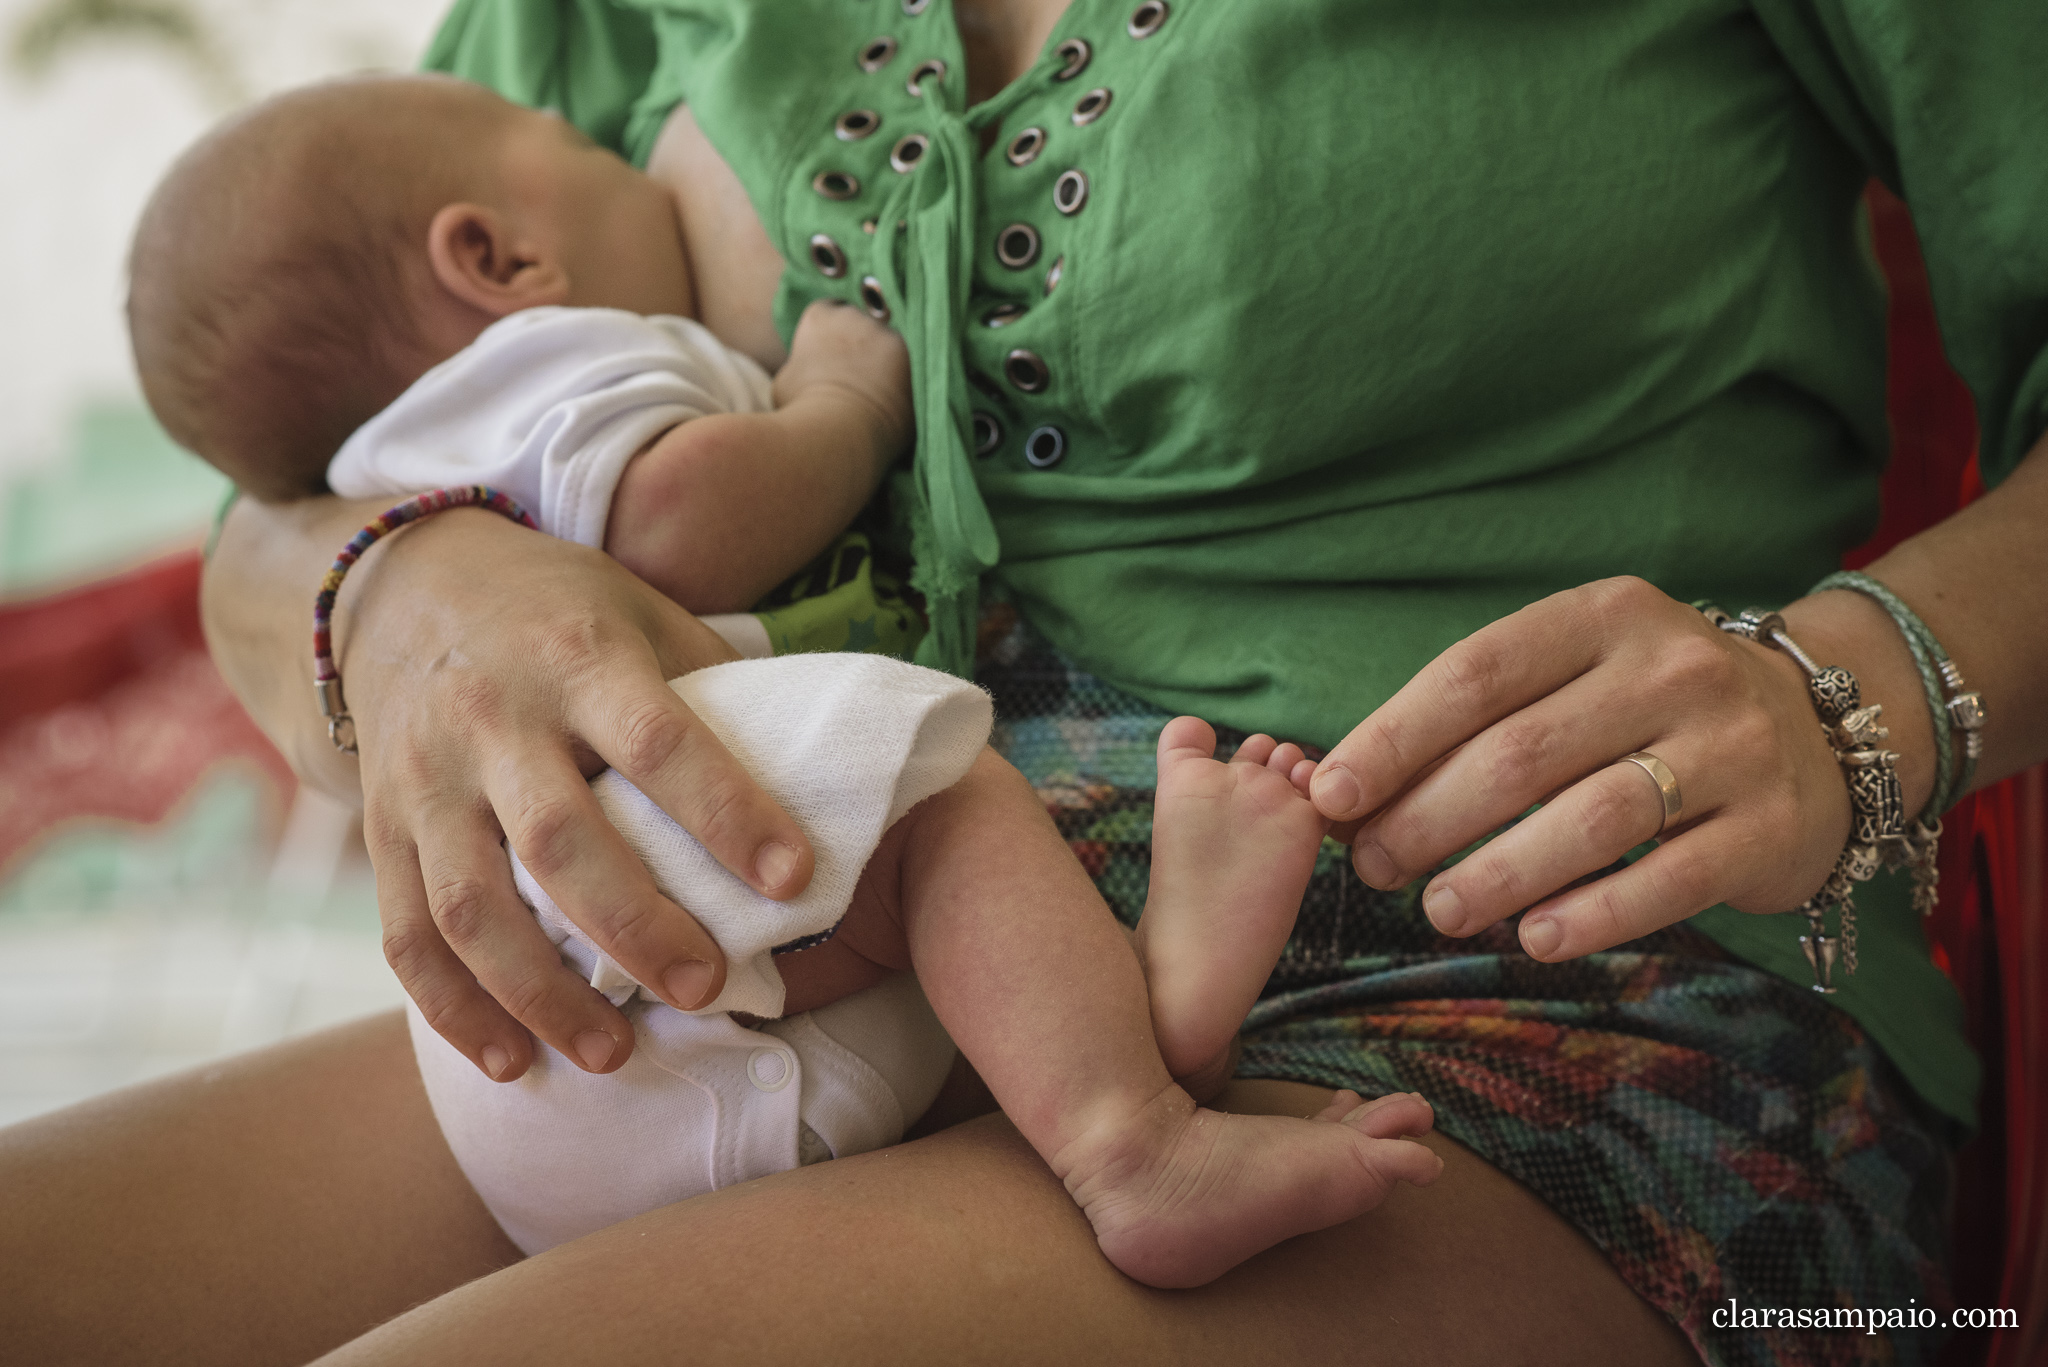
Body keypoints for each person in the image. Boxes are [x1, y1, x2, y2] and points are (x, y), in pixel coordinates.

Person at [2, 0, 2043, 1362]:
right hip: (817, 962)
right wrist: (399, 585)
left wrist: (1865, 681)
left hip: (1543, 975)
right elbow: (278, 486)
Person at [118, 73, 1447, 1281]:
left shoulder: (387, 455)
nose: (636, 168)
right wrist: (841, 408)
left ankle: (1160, 1022)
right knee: (937, 804)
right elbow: (668, 523)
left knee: (922, 938)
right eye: (582, 143)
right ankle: (1132, 1140)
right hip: (640, 876)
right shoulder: (553, 363)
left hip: (543, 1080)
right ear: (498, 254)